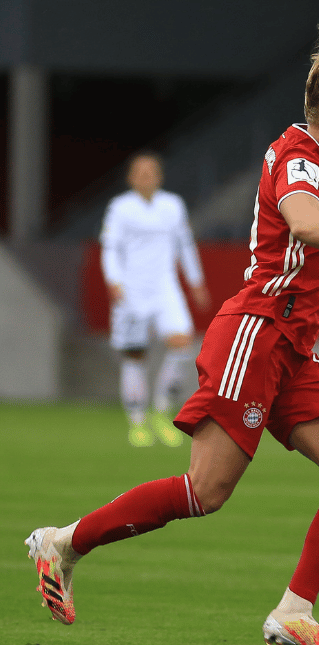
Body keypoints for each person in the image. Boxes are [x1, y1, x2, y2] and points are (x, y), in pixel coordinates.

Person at [26, 21, 319, 645]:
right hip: (257, 335)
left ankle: (294, 611)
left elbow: (315, 224)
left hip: (290, 348)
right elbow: (302, 223)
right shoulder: (299, 157)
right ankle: (65, 541)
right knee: (204, 492)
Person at [101, 151, 212, 448]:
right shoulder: (120, 208)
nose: (145, 177)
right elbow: (110, 248)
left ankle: (162, 411)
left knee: (183, 343)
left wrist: (196, 281)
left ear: (159, 177)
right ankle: (137, 423)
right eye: (140, 172)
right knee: (135, 354)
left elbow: (185, 245)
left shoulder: (172, 206)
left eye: (151, 172)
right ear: (130, 178)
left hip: (166, 288)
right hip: (132, 290)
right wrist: (113, 281)